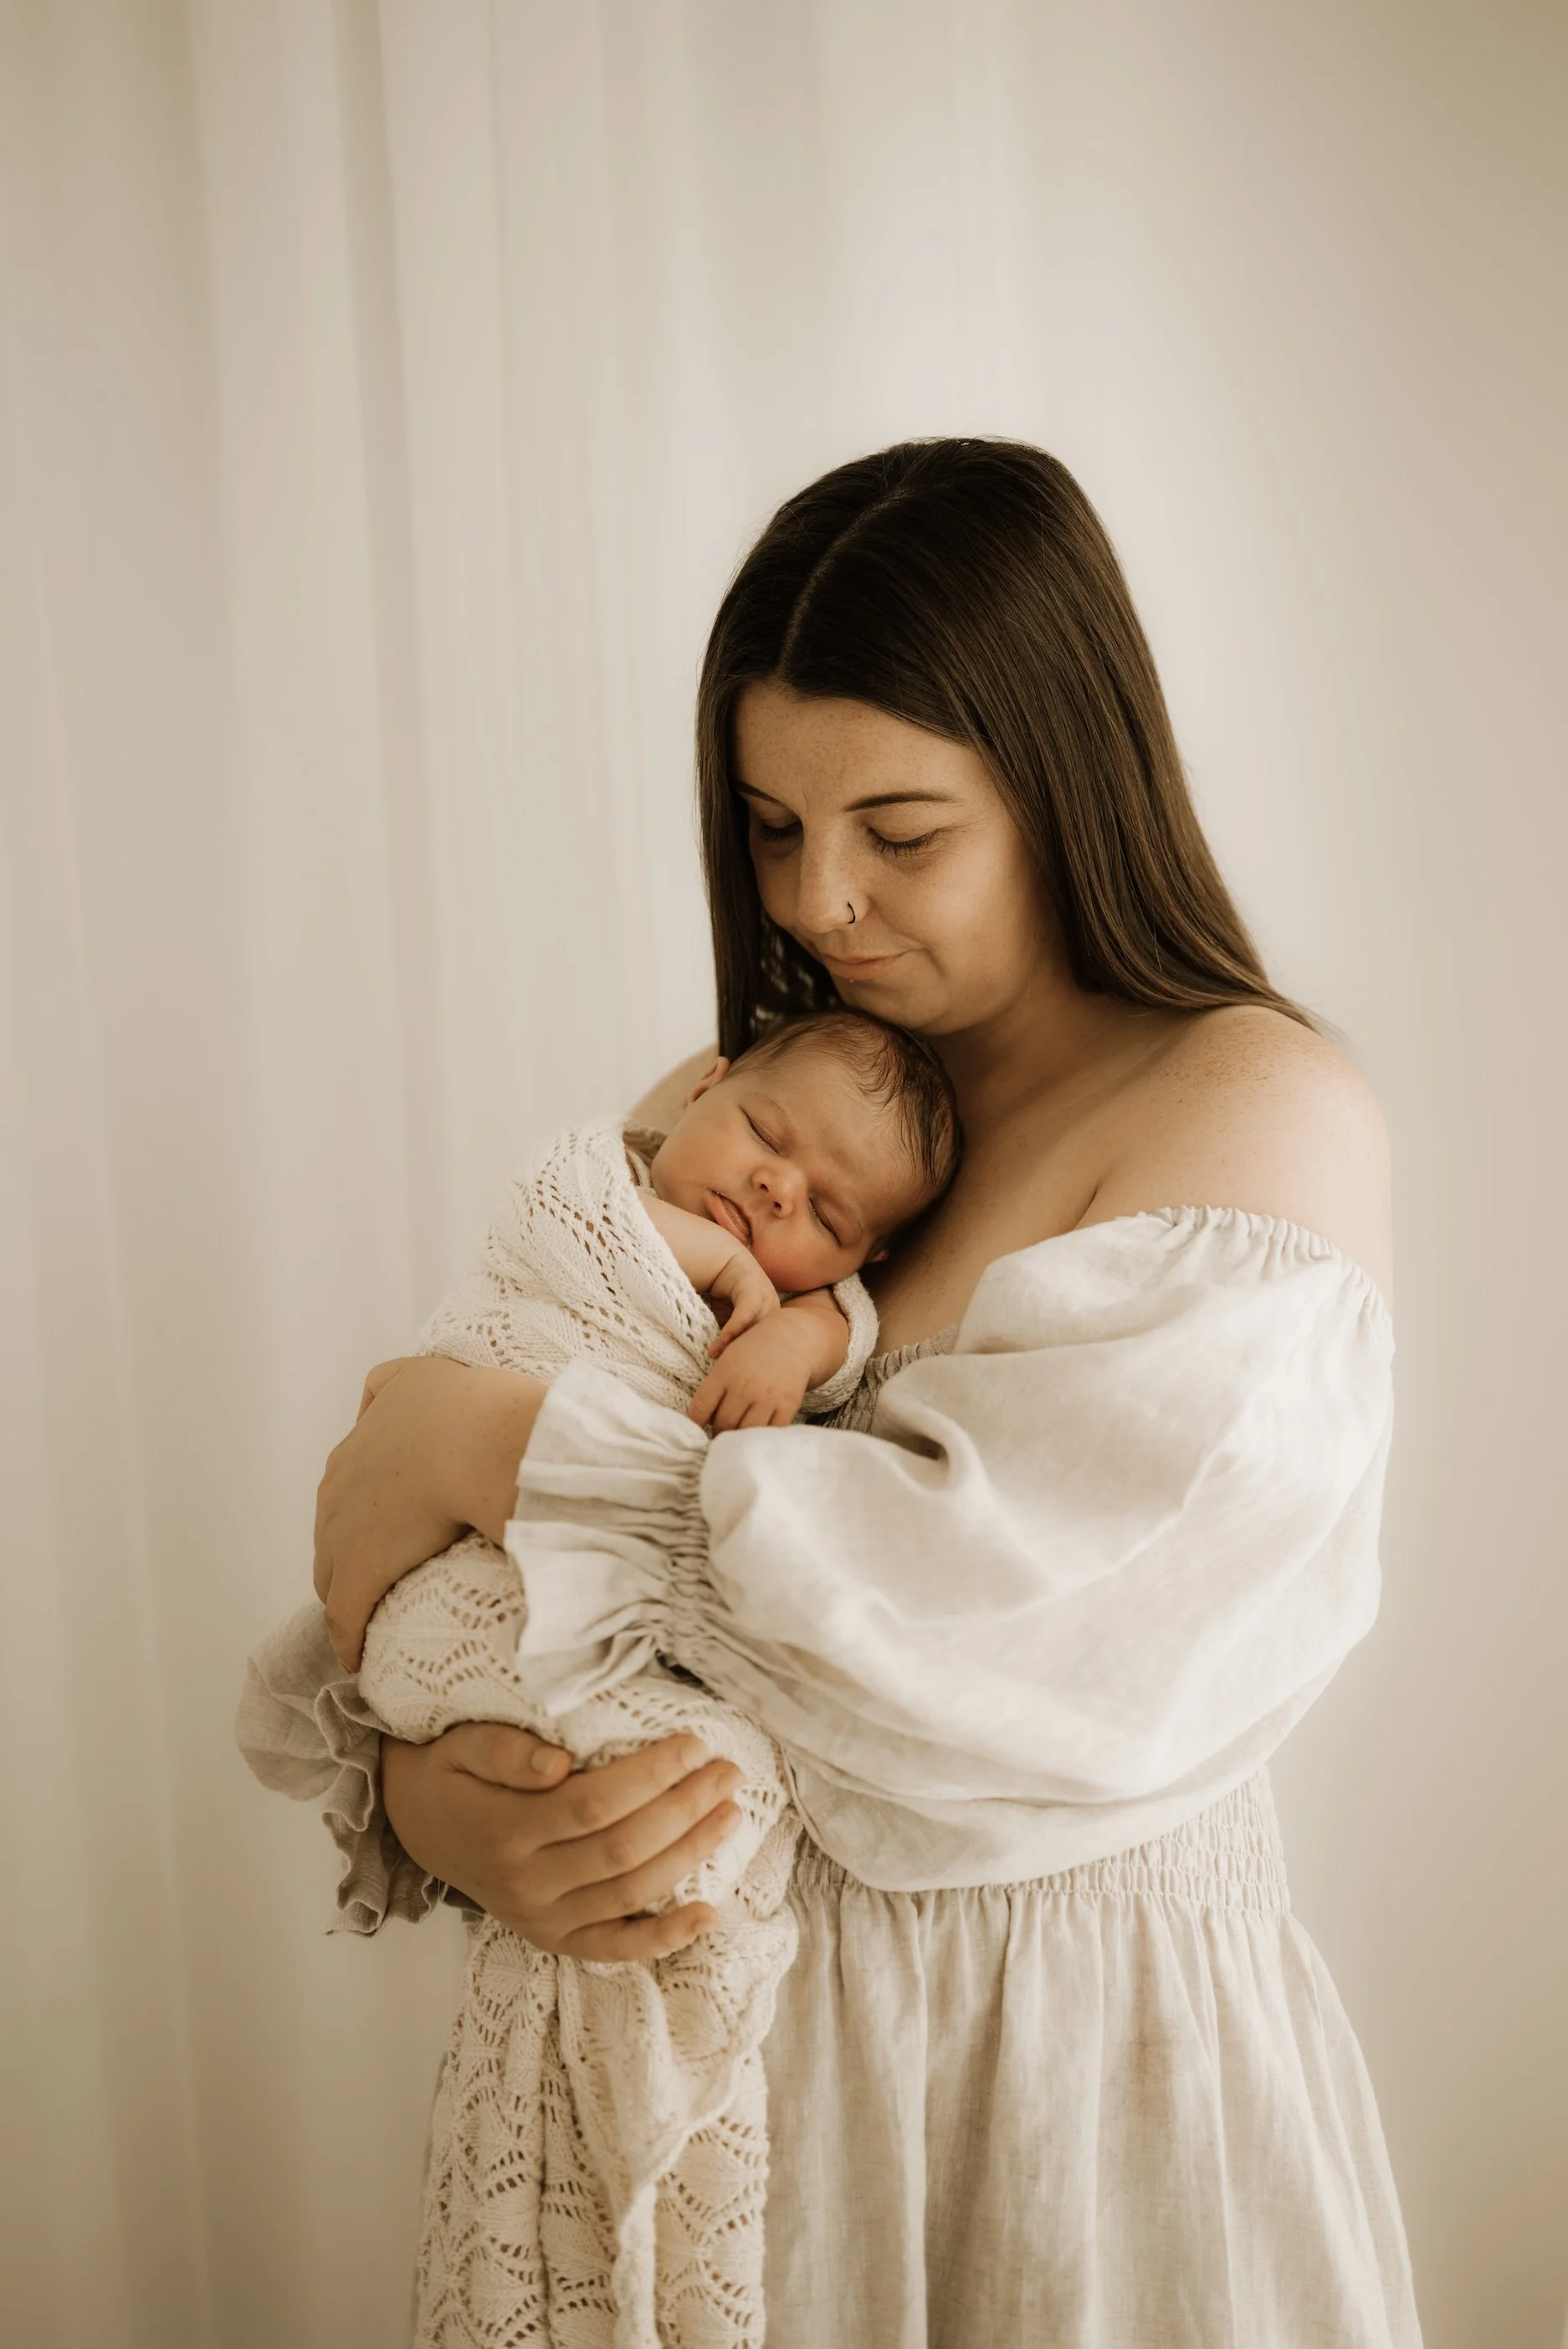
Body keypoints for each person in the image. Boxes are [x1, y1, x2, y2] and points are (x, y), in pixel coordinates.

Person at [254, 438, 1421, 2346]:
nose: (825, 897)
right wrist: (429, 1796)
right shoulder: (762, 1110)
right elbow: (409, 1582)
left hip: (1045, 2096)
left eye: (900, 828)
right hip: (694, 2109)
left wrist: (483, 1443)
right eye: (771, 825)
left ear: (1063, 782)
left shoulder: (1248, 1112)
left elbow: (983, 1665)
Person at [243, 1009, 961, 2342]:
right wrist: (716, 1265)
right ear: (702, 1088)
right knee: (466, 1650)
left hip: (615, 1625)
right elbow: (561, 1211)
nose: (768, 1188)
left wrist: (793, 1336)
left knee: (702, 1778)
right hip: (467, 1571)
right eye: (761, 1133)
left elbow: (845, 1331)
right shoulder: (607, 1185)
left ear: (866, 1252)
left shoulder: (810, 1308)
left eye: (822, 1206)